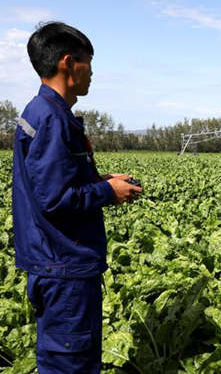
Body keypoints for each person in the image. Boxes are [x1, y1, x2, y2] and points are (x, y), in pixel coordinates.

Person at [11, 21, 142, 373]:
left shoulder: (42, 113)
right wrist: (108, 192)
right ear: (68, 62)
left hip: (55, 263)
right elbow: (55, 199)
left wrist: (101, 180)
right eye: (88, 62)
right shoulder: (52, 118)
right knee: (70, 365)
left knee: (64, 360)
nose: (93, 72)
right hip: (63, 267)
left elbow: (53, 181)